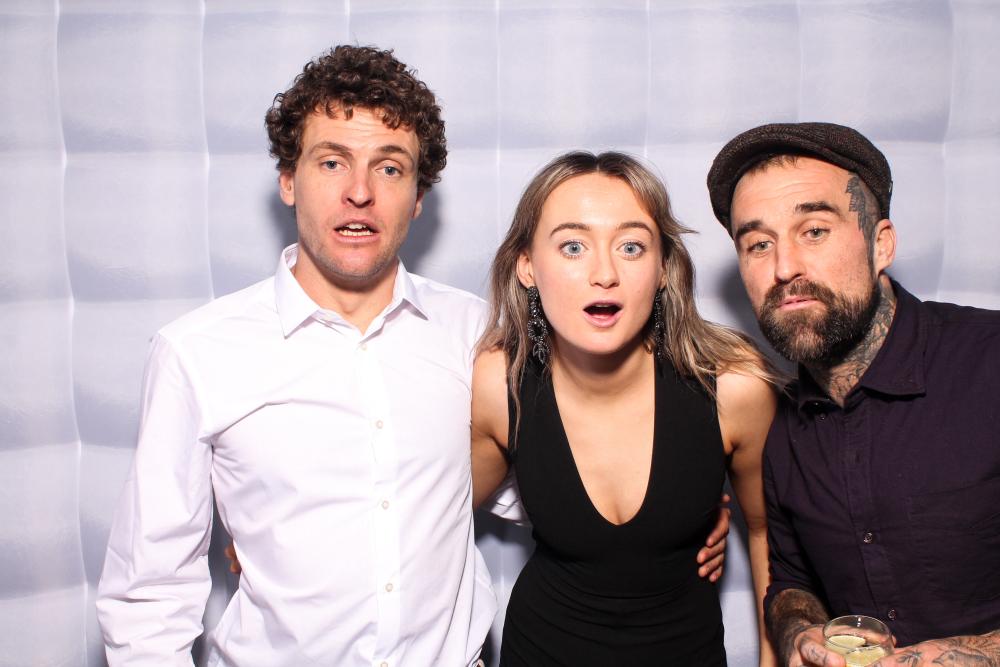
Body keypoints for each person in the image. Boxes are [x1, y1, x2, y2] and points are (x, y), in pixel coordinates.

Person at [96, 46, 728, 666]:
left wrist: (684, 509)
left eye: (391, 168)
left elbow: (546, 475)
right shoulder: (198, 353)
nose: (360, 192)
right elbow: (147, 600)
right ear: (288, 180)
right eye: (332, 162)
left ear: (419, 196)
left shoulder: (477, 337)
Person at [706, 122, 1000, 666]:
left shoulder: (989, 362)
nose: (784, 267)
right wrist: (800, 633)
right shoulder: (781, 427)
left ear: (881, 244)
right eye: (758, 244)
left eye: (814, 230)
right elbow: (791, 582)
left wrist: (970, 654)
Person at [471, 151, 780, 666]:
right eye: (573, 246)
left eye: (631, 246)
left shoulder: (734, 387)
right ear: (527, 266)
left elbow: (768, 530)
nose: (605, 273)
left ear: (663, 268)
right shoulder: (499, 384)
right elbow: (436, 515)